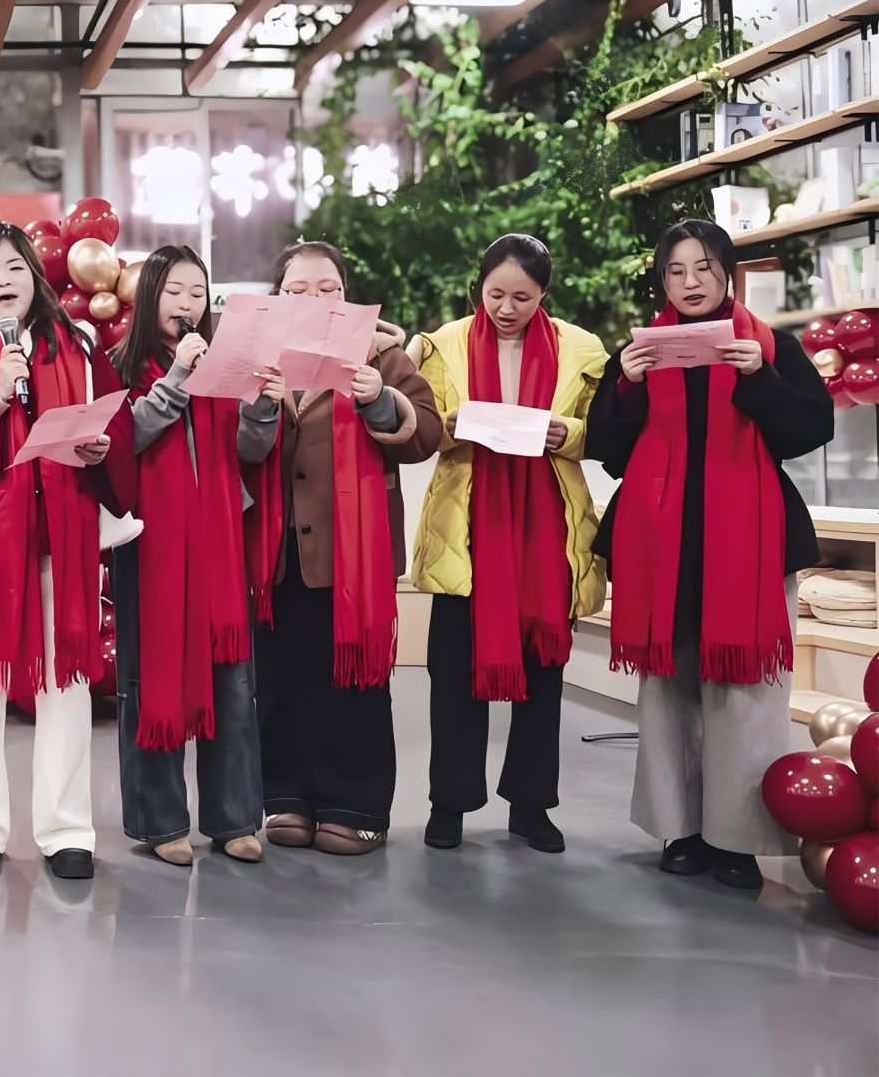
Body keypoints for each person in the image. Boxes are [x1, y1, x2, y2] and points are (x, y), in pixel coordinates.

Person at [587, 219, 832, 889]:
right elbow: (607, 450)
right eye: (676, 271)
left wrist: (759, 379)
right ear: (661, 281)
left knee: (746, 696)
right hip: (660, 544)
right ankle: (682, 830)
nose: (691, 282)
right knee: (668, 690)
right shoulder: (640, 352)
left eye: (703, 268)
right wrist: (624, 388)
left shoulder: (769, 346)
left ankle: (737, 839)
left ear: (728, 274)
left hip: (750, 544)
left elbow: (811, 428)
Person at [0, 220, 136, 881]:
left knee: (64, 684)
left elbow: (116, 423)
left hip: (62, 539)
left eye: (14, 267)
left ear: (34, 277)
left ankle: (67, 829)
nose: (2, 282)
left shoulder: (79, 346)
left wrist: (101, 449)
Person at [408, 234, 607, 854]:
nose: (506, 308)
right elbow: (421, 427)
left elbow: (606, 430)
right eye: (496, 294)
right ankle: (449, 803)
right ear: (480, 287)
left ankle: (531, 805)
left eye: (523, 297)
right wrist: (450, 427)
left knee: (544, 679)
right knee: (452, 676)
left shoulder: (581, 349)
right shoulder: (442, 344)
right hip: (465, 529)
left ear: (544, 293)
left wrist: (568, 433)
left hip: (547, 532)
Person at [242, 241, 440, 856]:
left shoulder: (381, 353)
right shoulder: (253, 355)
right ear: (278, 298)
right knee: (281, 681)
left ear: (346, 296)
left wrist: (380, 398)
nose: (314, 298)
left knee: (352, 684)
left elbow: (426, 435)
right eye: (298, 289)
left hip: (353, 554)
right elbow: (233, 449)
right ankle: (288, 799)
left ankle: (356, 808)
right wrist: (255, 406)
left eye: (327, 288)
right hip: (276, 551)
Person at [107, 244, 263, 867]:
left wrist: (264, 404)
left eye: (198, 292)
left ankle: (234, 819)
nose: (187, 303)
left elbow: (251, 450)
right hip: (151, 548)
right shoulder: (120, 365)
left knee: (233, 683)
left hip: (220, 549)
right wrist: (176, 379)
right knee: (150, 680)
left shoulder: (228, 366)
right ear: (150, 297)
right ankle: (160, 820)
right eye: (174, 291)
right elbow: (126, 439)